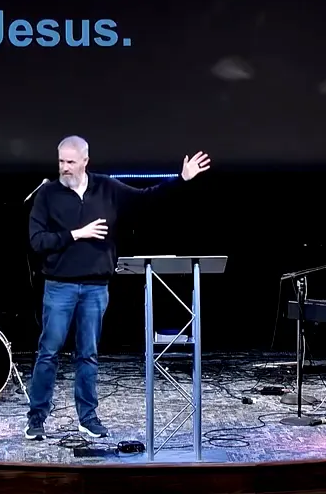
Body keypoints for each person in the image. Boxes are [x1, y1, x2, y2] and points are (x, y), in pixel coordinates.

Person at [24, 136, 211, 440]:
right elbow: (37, 242)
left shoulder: (106, 188)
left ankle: (88, 417)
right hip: (59, 287)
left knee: (88, 354)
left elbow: (146, 198)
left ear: (85, 160)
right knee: (48, 353)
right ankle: (36, 418)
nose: (64, 168)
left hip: (96, 287)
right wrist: (77, 234)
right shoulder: (48, 194)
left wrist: (182, 179)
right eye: (61, 161)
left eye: (70, 162)